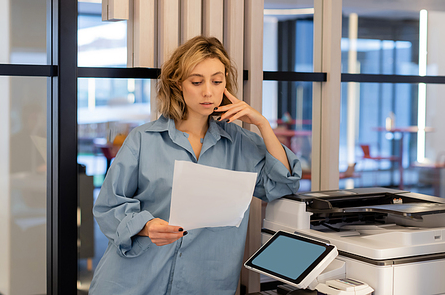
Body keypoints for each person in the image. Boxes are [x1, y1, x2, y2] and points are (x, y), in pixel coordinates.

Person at [89, 36, 302, 295]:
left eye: (216, 81)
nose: (208, 92)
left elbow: (282, 184)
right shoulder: (143, 139)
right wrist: (146, 227)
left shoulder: (241, 144)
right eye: (196, 81)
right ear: (178, 84)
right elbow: (108, 206)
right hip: (135, 280)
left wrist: (263, 125)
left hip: (205, 281)